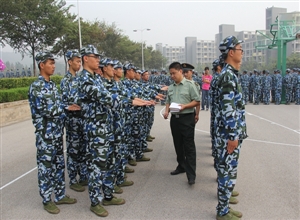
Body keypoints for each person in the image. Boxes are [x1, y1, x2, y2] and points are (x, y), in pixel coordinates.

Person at [77, 45, 150, 217]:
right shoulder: (84, 79)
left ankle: (108, 195)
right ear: (85, 58)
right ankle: (95, 202)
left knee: (108, 162)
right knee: (97, 166)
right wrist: (130, 102)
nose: (98, 60)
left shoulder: (96, 79)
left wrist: (132, 98)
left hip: (106, 127)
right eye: (95, 57)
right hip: (96, 130)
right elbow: (106, 97)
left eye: (98, 57)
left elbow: (111, 93)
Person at [28, 51, 78, 214]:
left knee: (58, 165)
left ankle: (60, 195)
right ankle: (46, 199)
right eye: (50, 63)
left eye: (54, 63)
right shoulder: (37, 86)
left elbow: (60, 104)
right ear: (42, 65)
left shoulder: (52, 85)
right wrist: (65, 107)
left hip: (56, 134)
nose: (53, 66)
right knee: (46, 167)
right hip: (45, 136)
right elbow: (46, 110)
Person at [216, 36, 247, 220]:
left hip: (232, 133)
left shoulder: (231, 74)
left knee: (230, 171)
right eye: (240, 49)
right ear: (231, 52)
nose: (242, 52)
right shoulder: (227, 76)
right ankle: (222, 211)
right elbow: (228, 110)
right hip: (229, 134)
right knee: (226, 173)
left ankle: (225, 207)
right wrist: (233, 136)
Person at [163, 62, 200, 185]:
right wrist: (167, 111)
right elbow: (168, 100)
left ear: (180, 71)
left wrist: (185, 106)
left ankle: (191, 174)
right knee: (178, 144)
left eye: (174, 73)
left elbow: (196, 101)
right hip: (175, 119)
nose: (172, 76)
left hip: (187, 118)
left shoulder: (190, 85)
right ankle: (181, 166)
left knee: (188, 146)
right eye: (171, 74)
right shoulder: (171, 87)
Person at [60, 49, 88, 193]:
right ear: (69, 62)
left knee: (83, 149)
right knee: (73, 151)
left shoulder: (79, 79)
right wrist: (69, 106)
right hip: (72, 121)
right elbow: (63, 101)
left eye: (80, 61)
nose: (79, 64)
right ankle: (72, 179)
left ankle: (83, 175)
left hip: (82, 120)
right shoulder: (66, 81)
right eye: (77, 61)